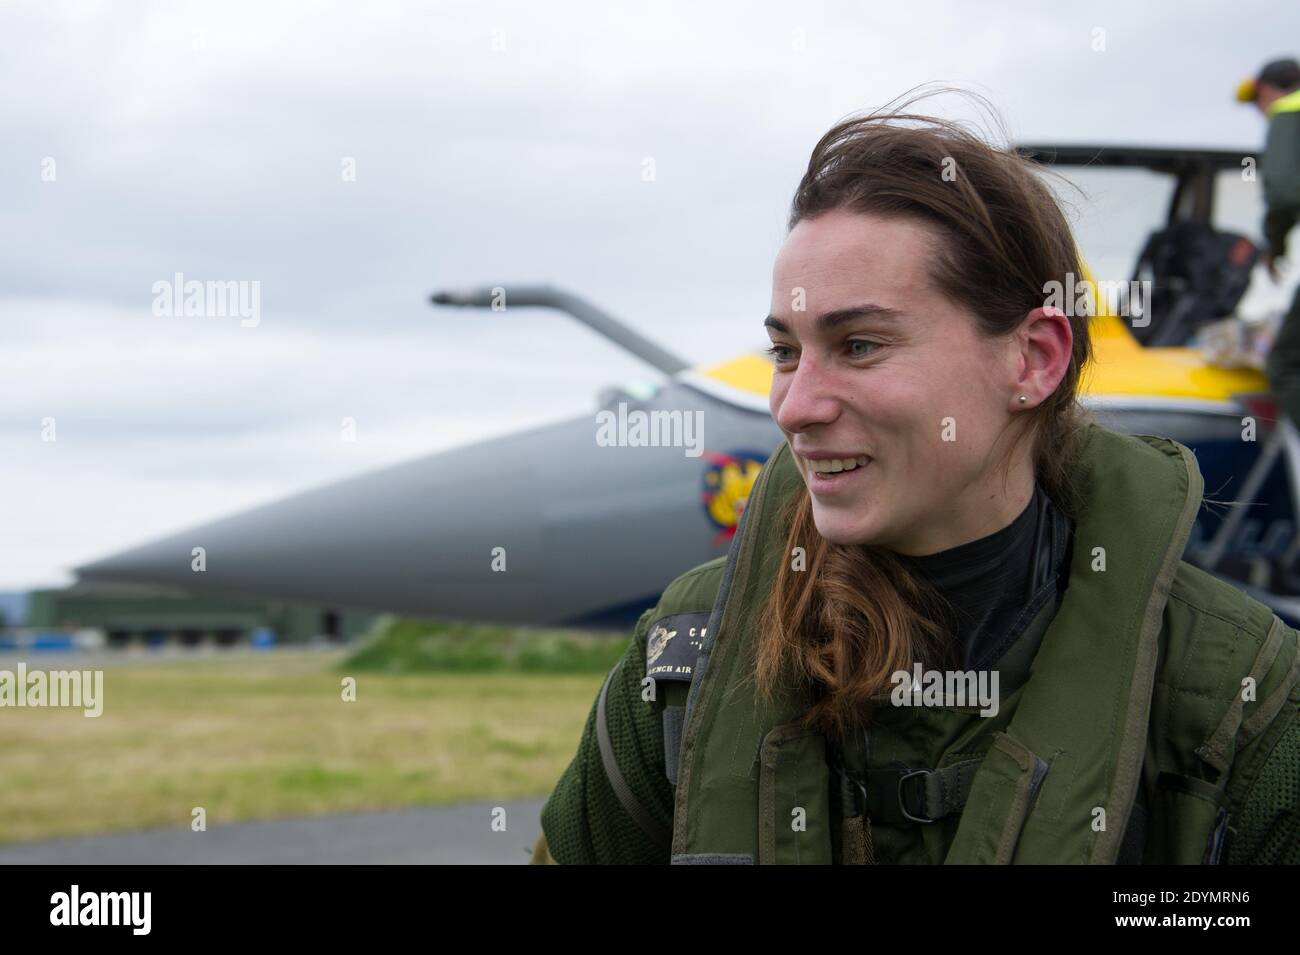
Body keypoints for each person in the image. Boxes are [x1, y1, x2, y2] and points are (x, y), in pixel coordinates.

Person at [530, 97, 1300, 865]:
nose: (794, 408)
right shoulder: (687, 655)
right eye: (786, 352)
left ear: (1032, 359)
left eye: (859, 344)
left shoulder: (1237, 693)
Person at [1241, 59, 1300, 429]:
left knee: (1286, 364)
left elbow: (1282, 194)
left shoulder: (1286, 112)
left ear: (1264, 91)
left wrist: (1275, 245)